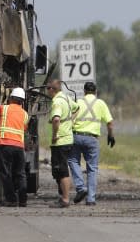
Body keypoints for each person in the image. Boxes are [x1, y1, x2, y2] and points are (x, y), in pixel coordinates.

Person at [67, 81, 115, 206]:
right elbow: (109, 123)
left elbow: (70, 120)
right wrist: (110, 136)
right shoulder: (100, 103)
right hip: (92, 139)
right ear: (96, 91)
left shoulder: (78, 102)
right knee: (92, 168)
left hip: (76, 136)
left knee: (73, 161)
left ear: (84, 91)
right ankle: (91, 199)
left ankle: (80, 187)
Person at [0, 87, 29, 207]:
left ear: (11, 98)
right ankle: (23, 200)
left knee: (6, 173)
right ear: (22, 101)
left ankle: (11, 199)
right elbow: (24, 129)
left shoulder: (5, 108)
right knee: (20, 173)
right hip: (19, 146)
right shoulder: (25, 114)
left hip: (6, 144)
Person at [46, 79, 79, 208]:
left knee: (62, 170)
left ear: (52, 90)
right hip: (67, 138)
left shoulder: (57, 101)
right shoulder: (66, 98)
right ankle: (62, 197)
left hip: (60, 141)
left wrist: (55, 135)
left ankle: (65, 199)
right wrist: (71, 121)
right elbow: (77, 108)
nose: (46, 91)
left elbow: (56, 120)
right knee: (59, 169)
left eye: (47, 88)